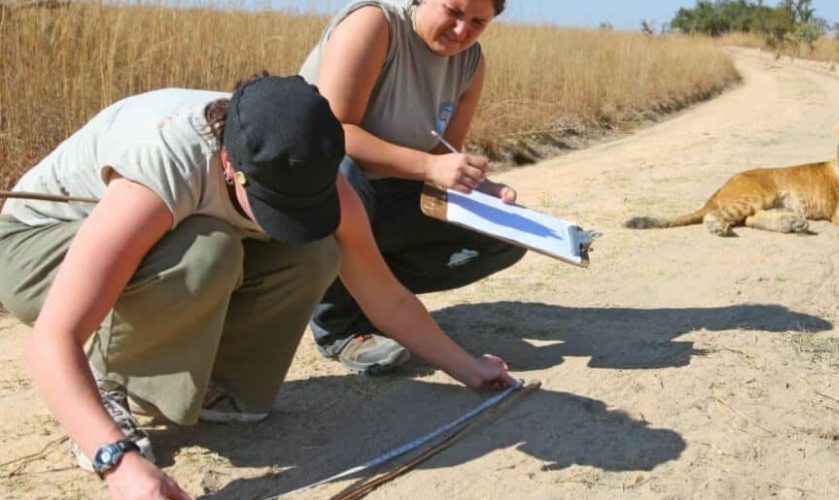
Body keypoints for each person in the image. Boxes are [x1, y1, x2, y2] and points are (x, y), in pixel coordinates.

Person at [0, 74, 514, 499]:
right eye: (273, 206)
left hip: (153, 242)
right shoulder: (165, 168)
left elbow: (384, 296)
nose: (283, 217)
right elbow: (54, 336)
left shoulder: (307, 163)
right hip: (33, 248)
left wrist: (468, 368)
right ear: (231, 165)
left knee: (315, 248)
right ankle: (107, 385)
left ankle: (212, 386)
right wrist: (116, 462)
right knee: (208, 250)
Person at [299, 0, 525, 375]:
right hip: (322, 189)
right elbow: (332, 132)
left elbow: (443, 154)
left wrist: (483, 188)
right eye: (453, 12)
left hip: (390, 193)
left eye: (477, 22)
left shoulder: (471, 62)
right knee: (343, 173)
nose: (461, 31)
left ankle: (379, 299)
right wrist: (430, 166)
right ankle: (341, 327)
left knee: (506, 236)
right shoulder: (373, 24)